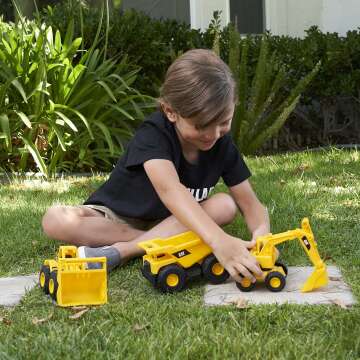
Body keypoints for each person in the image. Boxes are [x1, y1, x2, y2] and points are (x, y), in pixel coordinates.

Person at [42, 49, 270, 284]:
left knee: (225, 205)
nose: (213, 135)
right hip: (118, 218)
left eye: (223, 122)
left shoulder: (222, 143)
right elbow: (171, 191)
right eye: (201, 126)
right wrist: (218, 240)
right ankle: (164, 243)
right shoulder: (153, 134)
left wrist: (263, 236)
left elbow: (249, 203)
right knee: (55, 219)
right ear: (171, 112)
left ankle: (124, 251)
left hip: (174, 221)